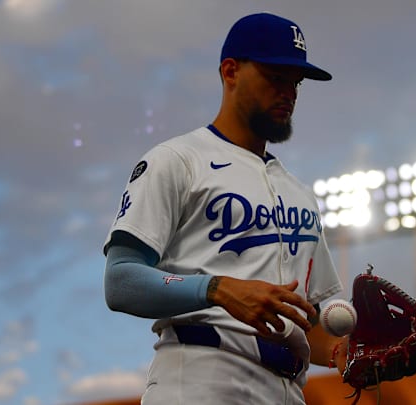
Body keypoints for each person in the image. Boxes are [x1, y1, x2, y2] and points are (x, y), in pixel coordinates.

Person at [103, 12, 349, 405]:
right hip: (201, 378)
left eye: (295, 82)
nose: (288, 92)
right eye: (275, 76)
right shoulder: (178, 160)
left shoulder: (300, 194)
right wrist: (216, 289)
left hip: (287, 390)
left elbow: (310, 322)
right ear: (231, 71)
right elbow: (121, 281)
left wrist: (351, 355)